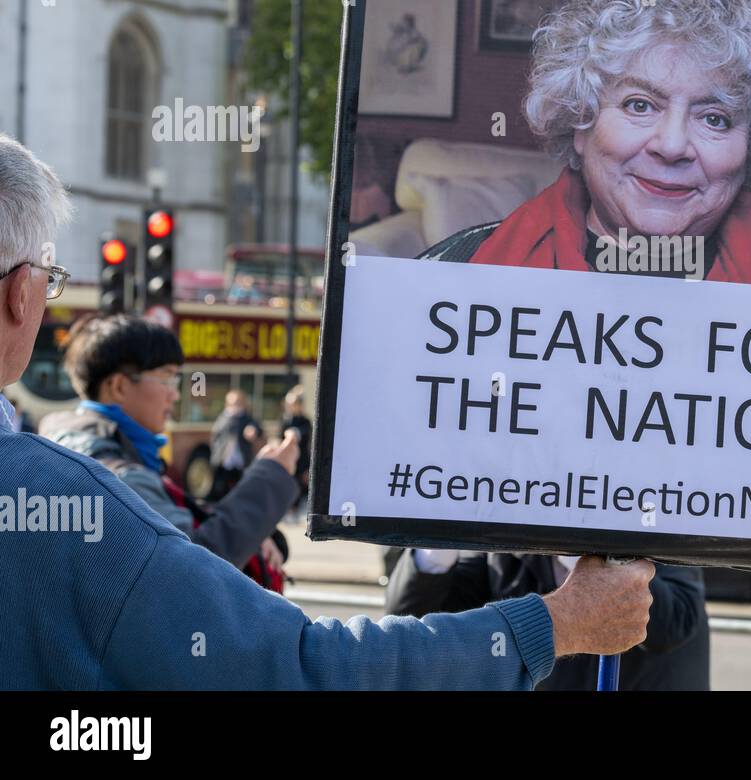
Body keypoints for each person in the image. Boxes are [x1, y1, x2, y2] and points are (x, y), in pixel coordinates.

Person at [0, 134, 653, 688]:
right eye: (48, 275)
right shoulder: (61, 499)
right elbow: (306, 668)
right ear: (19, 296)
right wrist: (555, 624)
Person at [421, 0, 751, 293]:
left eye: (714, 118)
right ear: (582, 122)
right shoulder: (457, 270)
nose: (672, 145)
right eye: (640, 105)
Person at [40, 315, 297, 581]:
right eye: (167, 379)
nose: (175, 394)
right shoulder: (120, 479)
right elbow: (196, 566)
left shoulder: (80, 446)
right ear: (118, 386)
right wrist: (270, 476)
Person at [385, 550, 709, 690]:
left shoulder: (649, 509)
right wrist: (437, 539)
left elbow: (676, 621)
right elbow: (410, 621)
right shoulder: (502, 541)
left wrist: (571, 550)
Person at [209, 389, 261, 500]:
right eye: (232, 403)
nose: (235, 406)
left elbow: (257, 428)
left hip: (240, 461)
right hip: (224, 461)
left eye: (238, 403)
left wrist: (253, 430)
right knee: (220, 490)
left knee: (240, 490)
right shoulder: (223, 418)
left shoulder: (246, 418)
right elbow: (217, 436)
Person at [280, 385, 313, 508]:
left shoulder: (305, 421)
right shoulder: (286, 420)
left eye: (293, 404)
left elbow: (307, 439)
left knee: (302, 487)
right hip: (288, 459)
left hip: (302, 460)